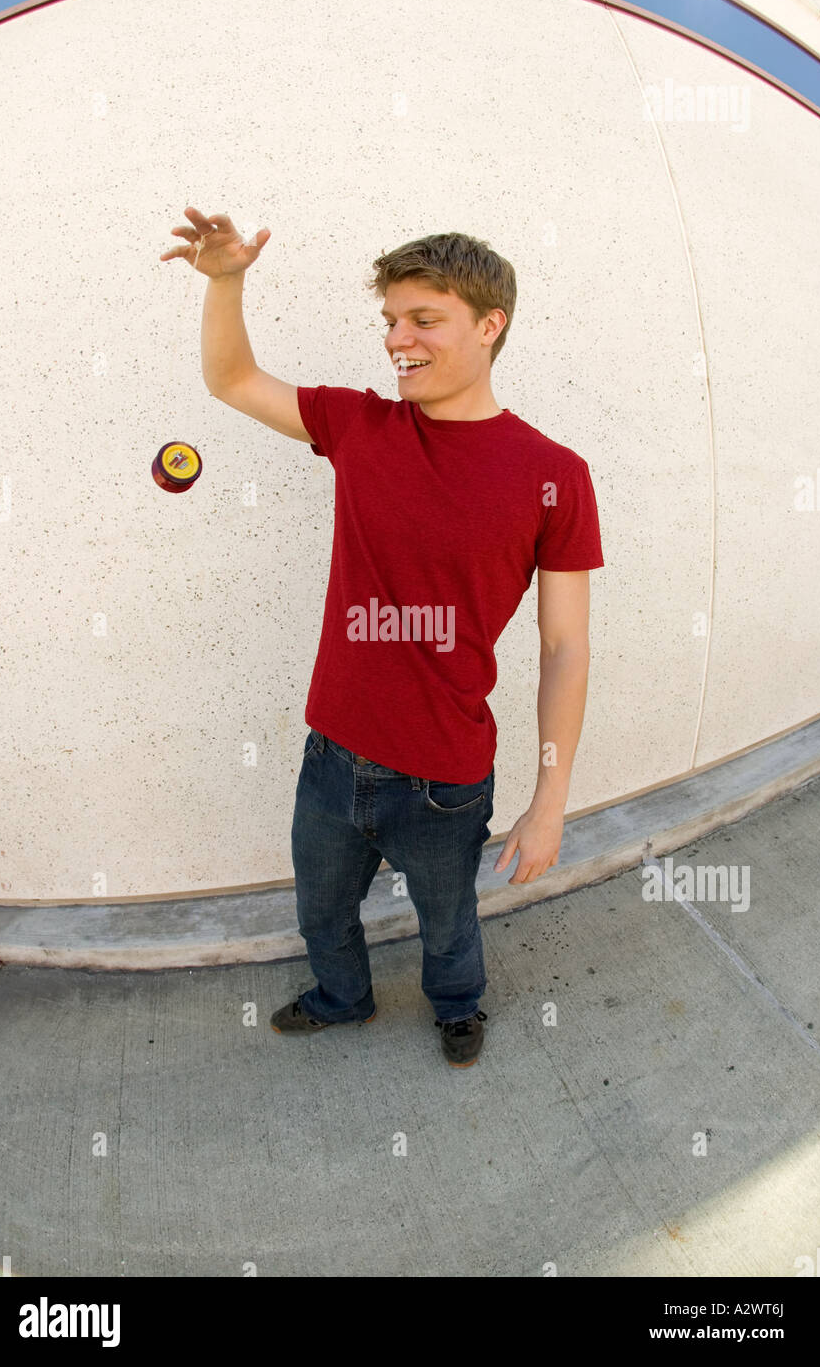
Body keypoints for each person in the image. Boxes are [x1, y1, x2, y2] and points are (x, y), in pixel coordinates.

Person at [160, 208, 605, 1067]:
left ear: (489, 325)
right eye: (390, 322)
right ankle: (342, 999)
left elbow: (565, 650)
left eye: (423, 320)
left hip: (445, 776)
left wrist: (550, 801)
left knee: (448, 924)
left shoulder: (555, 474)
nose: (398, 340)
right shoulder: (359, 426)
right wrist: (225, 281)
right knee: (321, 912)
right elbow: (233, 380)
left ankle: (457, 1007)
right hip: (331, 754)